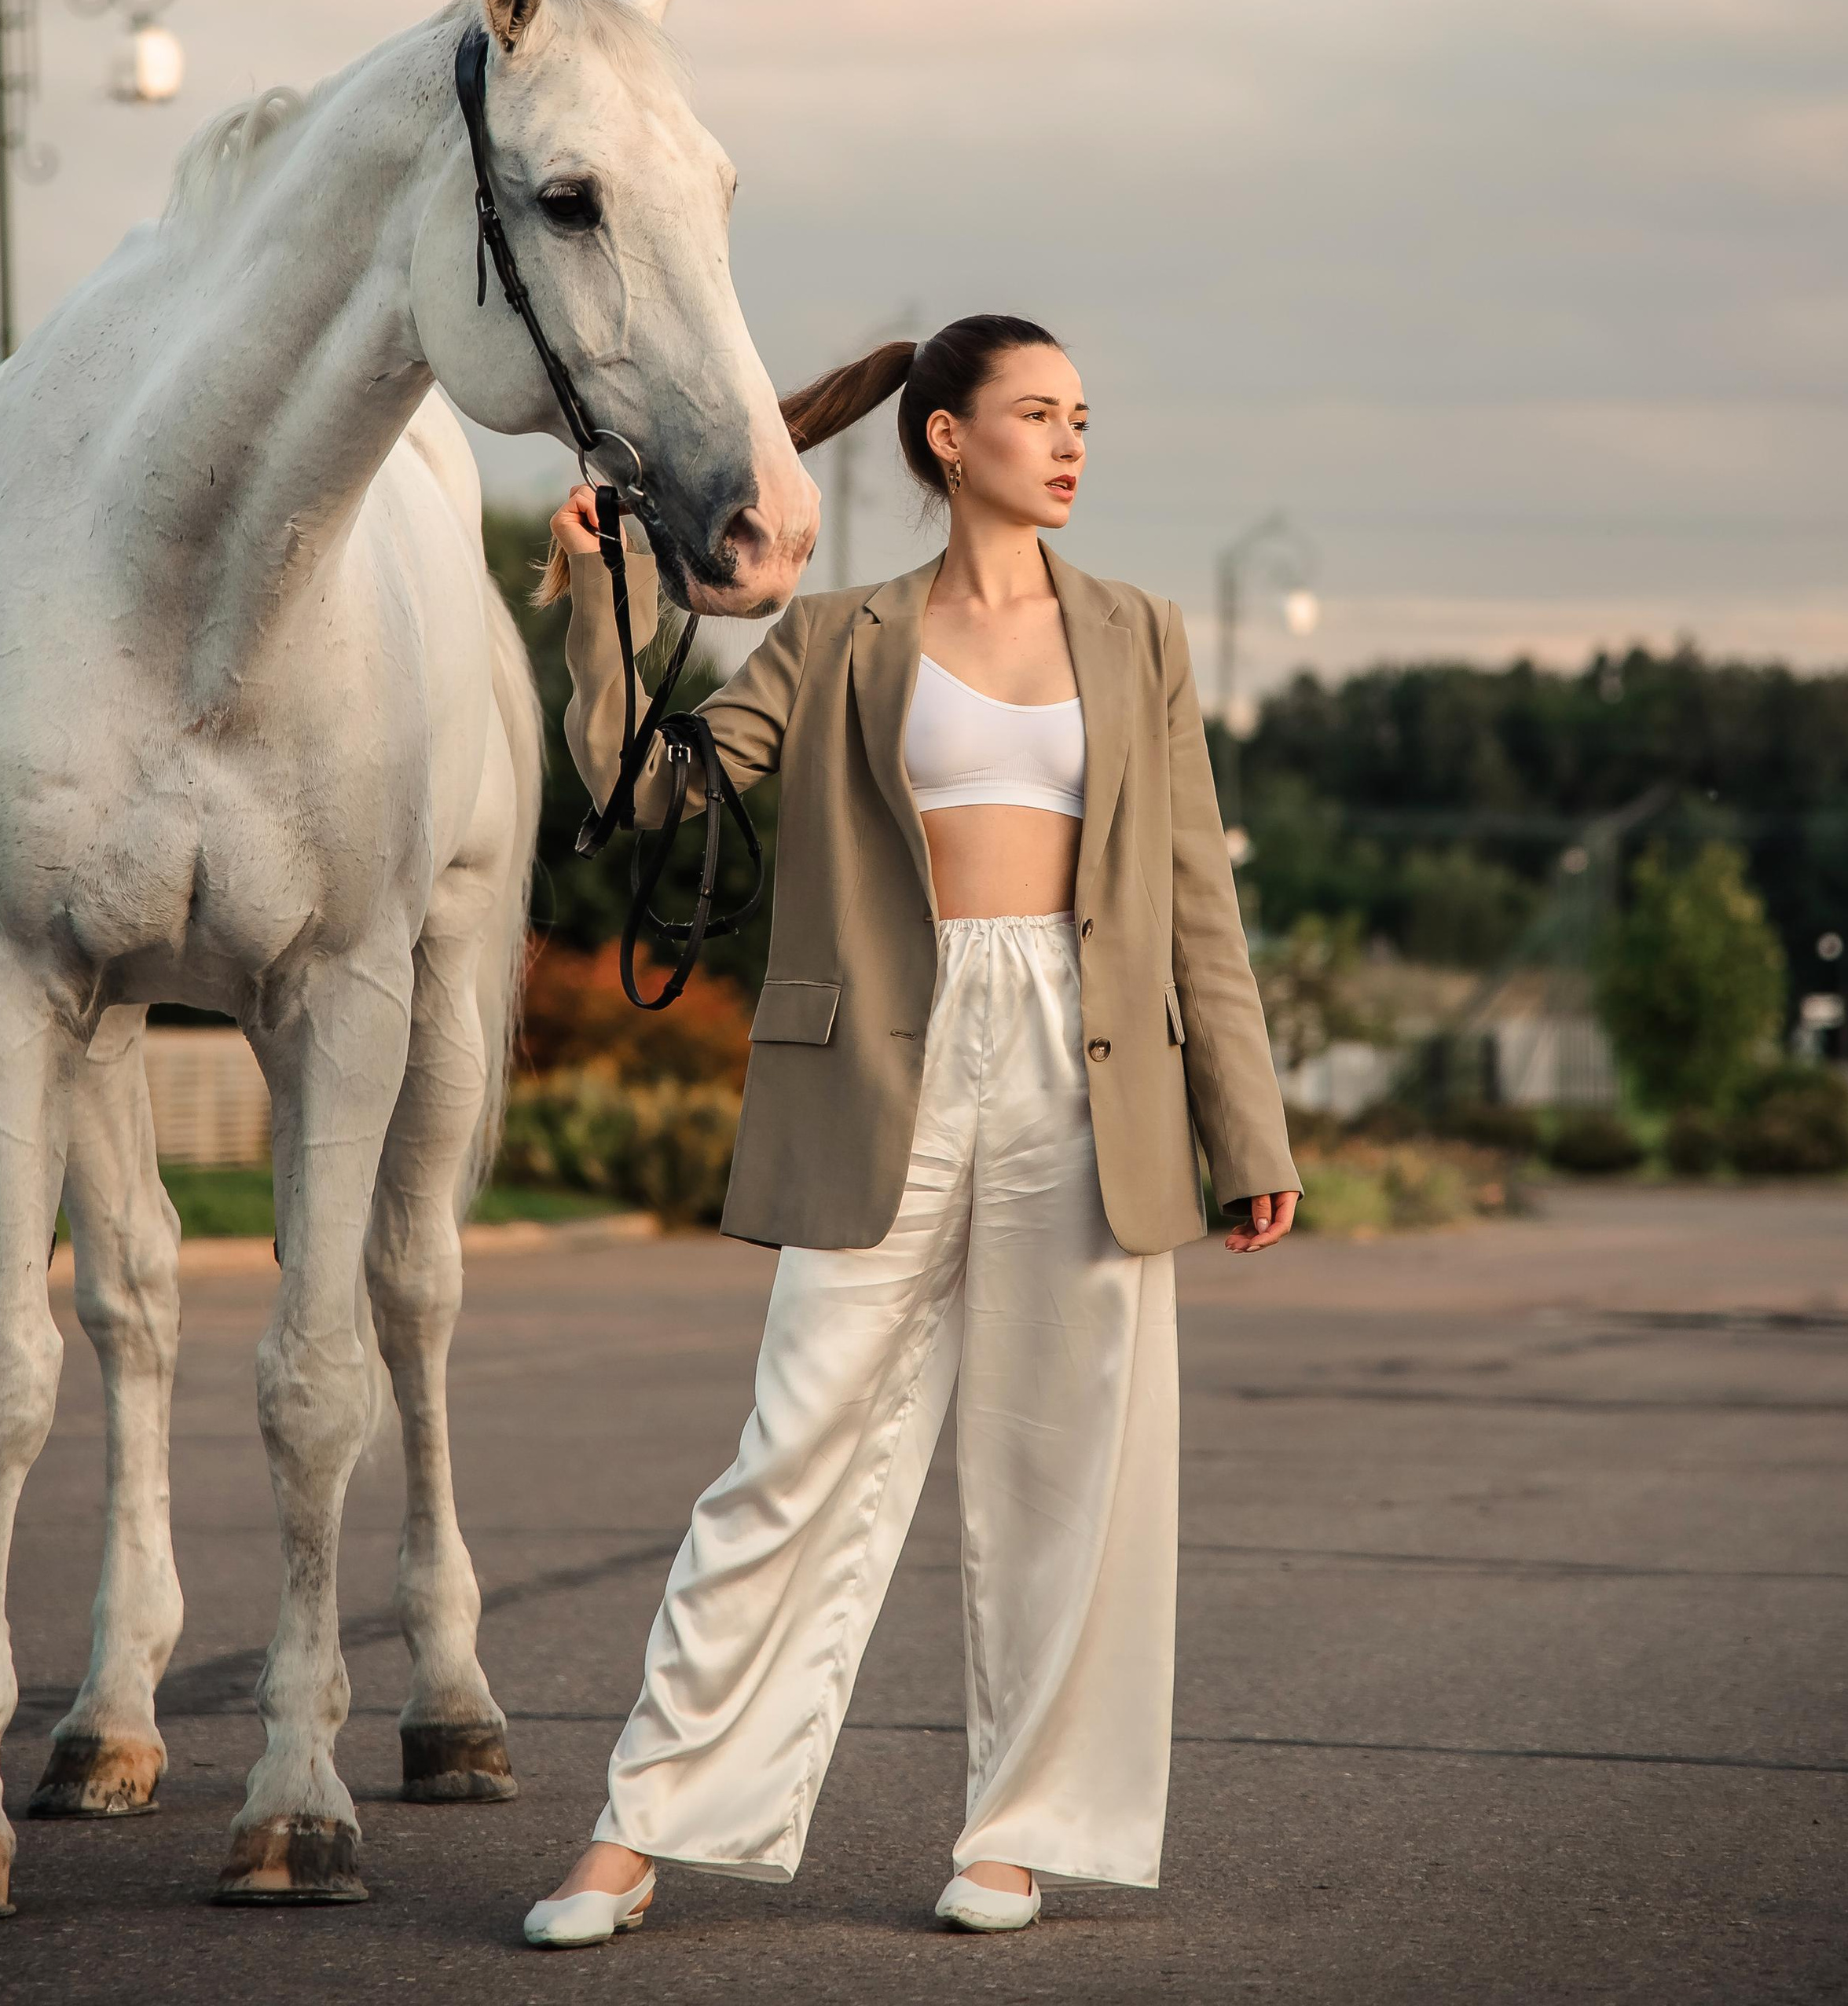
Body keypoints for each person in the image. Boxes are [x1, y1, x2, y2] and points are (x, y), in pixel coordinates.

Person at [522, 315, 1300, 1948]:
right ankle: (640, 1826)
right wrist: (609, 603)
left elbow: (1192, 902)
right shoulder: (834, 638)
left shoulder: (1141, 636)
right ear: (947, 440)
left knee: (1057, 1463)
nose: (1070, 441)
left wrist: (1249, 1130)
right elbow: (657, 796)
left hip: (1087, 1070)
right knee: (788, 1451)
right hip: (882, 1057)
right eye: (1035, 413)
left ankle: (1016, 1829)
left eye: (1082, 416)